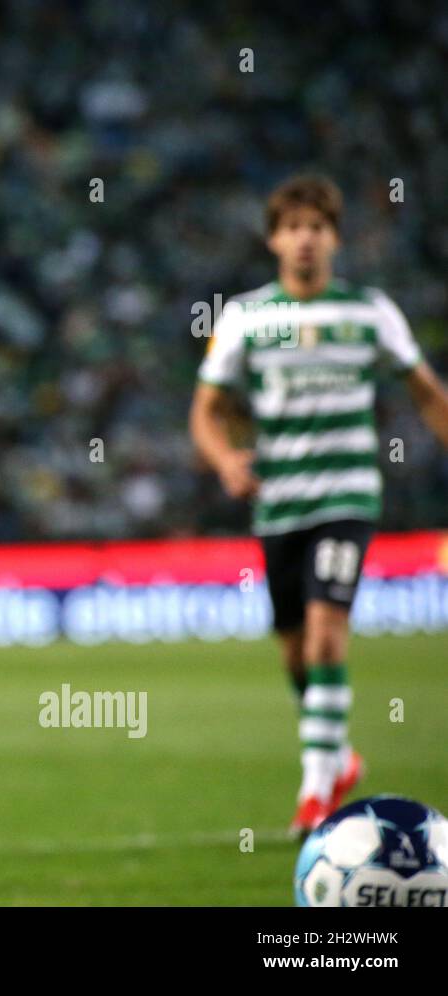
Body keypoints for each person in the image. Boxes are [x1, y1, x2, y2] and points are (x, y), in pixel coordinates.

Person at [189, 174, 448, 836]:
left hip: (347, 494)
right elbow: (207, 411)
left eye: (317, 227)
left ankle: (314, 793)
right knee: (296, 653)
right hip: (279, 504)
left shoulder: (370, 312)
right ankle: (338, 755)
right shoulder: (246, 316)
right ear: (274, 239)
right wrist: (225, 461)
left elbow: (425, 392)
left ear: (333, 237)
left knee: (328, 629)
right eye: (293, 227)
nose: (305, 239)